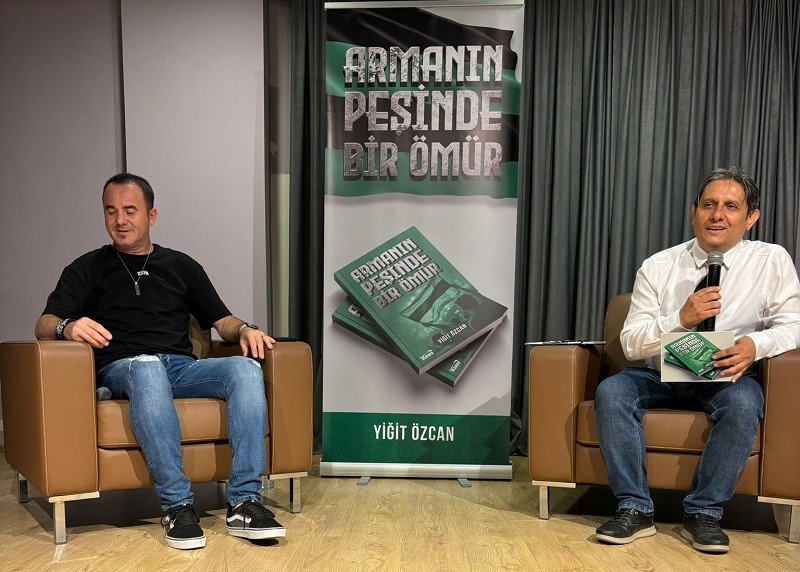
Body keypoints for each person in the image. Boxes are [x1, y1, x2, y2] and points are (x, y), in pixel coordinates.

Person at [35, 173, 284, 550]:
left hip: (181, 369)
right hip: (125, 368)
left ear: (151, 216)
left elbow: (222, 320)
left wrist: (246, 329)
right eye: (111, 211)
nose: (120, 220)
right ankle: (177, 506)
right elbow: (44, 324)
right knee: (147, 366)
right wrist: (67, 326)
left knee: (245, 368)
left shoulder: (182, 266)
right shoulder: (87, 268)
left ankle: (244, 503)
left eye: (130, 211)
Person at [593, 166, 800, 553]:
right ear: (694, 212)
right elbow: (631, 343)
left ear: (750, 217)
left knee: (744, 403)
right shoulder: (658, 266)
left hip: (725, 378)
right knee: (612, 391)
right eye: (708, 204)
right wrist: (680, 319)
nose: (717, 215)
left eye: (730, 206)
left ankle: (704, 513)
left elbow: (794, 325)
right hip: (661, 376)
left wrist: (755, 344)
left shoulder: (771, 260)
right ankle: (634, 508)